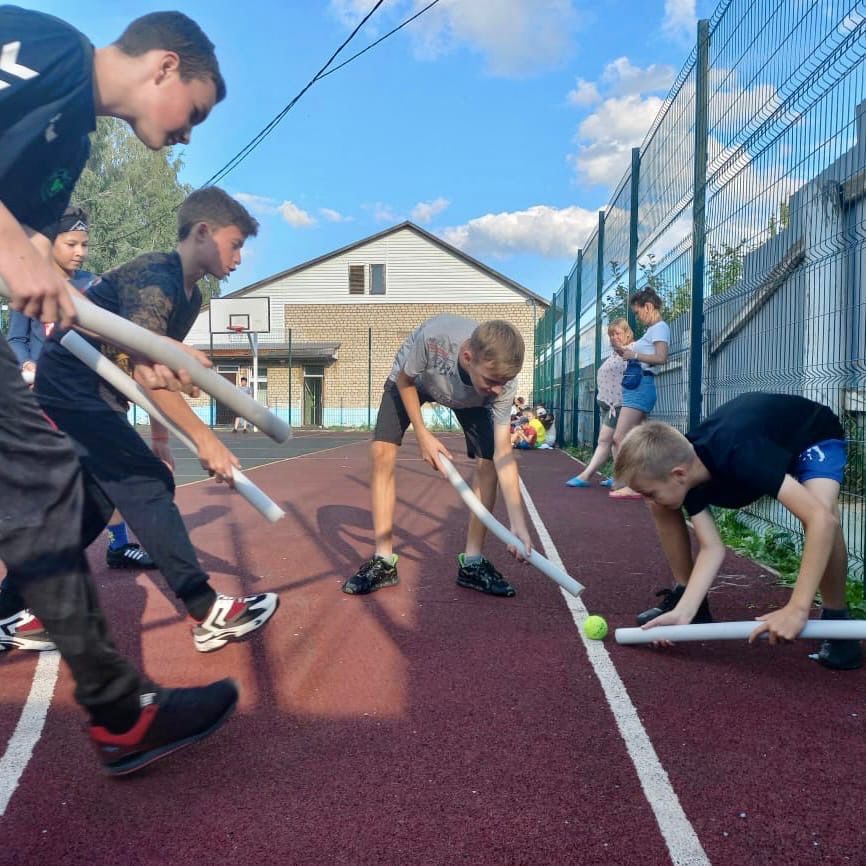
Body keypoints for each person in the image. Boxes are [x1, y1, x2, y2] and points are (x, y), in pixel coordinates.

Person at [0, 6, 240, 773]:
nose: (191, 133)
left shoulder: (70, 141)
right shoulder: (54, 51)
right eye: (194, 112)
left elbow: (33, 266)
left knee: (43, 485)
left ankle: (119, 714)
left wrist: (143, 351)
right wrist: (18, 250)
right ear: (164, 66)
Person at [32, 186, 279, 654]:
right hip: (72, 381)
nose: (240, 258)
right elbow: (148, 368)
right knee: (146, 483)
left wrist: (162, 437)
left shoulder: (190, 297)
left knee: (96, 507)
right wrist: (204, 439)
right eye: (236, 243)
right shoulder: (158, 275)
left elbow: (153, 369)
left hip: (104, 390)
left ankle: (12, 609)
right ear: (203, 232)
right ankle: (206, 610)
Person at [614, 393, 863, 670]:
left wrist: (797, 608)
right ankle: (691, 603)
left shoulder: (741, 455)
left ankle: (836, 619)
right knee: (663, 506)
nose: (647, 500)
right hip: (760, 443)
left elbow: (821, 521)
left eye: (649, 493)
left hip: (810, 435)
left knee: (823, 512)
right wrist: (685, 611)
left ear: (678, 474)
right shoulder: (687, 472)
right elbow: (713, 548)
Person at [7, 205, 157, 571]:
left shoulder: (93, 286)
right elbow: (17, 338)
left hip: (90, 395)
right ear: (49, 243)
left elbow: (110, 337)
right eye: (71, 243)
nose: (80, 252)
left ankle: (119, 546)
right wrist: (27, 362)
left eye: (84, 244)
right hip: (45, 399)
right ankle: (32, 565)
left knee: (109, 470)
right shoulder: (29, 284)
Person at [342, 316, 533, 598]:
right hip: (414, 382)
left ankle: (473, 562)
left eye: (503, 384)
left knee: (489, 461)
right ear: (468, 358)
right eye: (493, 381)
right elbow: (405, 381)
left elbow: (504, 451)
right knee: (382, 451)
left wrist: (517, 523)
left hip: (469, 397)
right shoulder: (434, 339)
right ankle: (383, 561)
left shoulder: (500, 383)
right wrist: (423, 434)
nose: (498, 390)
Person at [609, 289, 670, 500]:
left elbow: (661, 357)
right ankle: (644, 482)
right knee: (640, 441)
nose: (637, 317)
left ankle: (631, 484)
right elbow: (641, 355)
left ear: (649, 307)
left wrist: (633, 354)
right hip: (638, 385)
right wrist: (623, 351)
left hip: (641, 386)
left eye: (638, 312)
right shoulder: (652, 330)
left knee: (620, 438)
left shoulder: (660, 328)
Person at [566, 318, 633, 486]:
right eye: (610, 334)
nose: (613, 337)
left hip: (617, 405)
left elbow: (632, 364)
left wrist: (620, 349)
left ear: (627, 333)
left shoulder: (631, 349)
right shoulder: (615, 352)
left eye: (617, 333)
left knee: (605, 440)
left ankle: (586, 475)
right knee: (612, 444)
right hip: (607, 404)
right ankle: (619, 478)